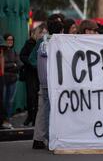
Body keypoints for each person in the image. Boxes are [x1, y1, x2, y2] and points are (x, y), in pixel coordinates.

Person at [30, 16, 64, 150]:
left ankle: (38, 138)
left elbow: (34, 59)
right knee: (53, 110)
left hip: (43, 80)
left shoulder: (42, 41)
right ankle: (51, 138)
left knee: (43, 110)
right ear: (61, 30)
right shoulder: (59, 42)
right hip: (55, 82)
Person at [20, 25, 46, 127]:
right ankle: (31, 116)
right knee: (31, 97)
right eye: (41, 32)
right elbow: (23, 55)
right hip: (31, 74)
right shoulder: (29, 43)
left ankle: (35, 118)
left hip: (40, 73)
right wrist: (31, 63)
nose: (43, 34)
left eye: (44, 32)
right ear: (37, 33)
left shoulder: (45, 44)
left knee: (37, 97)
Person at [2, 34, 23, 129]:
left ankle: (8, 119)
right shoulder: (2, 52)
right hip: (4, 80)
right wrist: (12, 65)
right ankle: (2, 120)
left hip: (13, 80)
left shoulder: (14, 52)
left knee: (10, 101)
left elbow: (19, 64)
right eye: (8, 40)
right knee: (3, 100)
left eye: (12, 40)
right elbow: (4, 66)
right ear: (4, 40)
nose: (10, 41)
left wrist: (12, 65)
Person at [0, 38, 9, 130]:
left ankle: (2, 121)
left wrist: (2, 73)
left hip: (0, 76)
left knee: (1, 100)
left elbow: (2, 58)